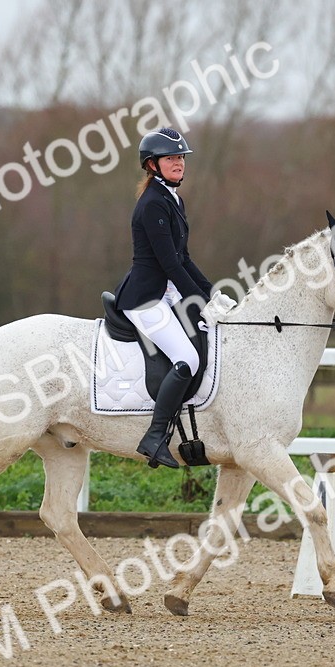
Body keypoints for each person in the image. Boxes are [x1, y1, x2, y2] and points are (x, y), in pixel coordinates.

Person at [113, 128, 213, 468]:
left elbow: (183, 257)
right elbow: (169, 264)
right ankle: (155, 436)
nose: (179, 164)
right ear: (152, 165)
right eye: (172, 159)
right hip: (145, 299)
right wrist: (199, 300)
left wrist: (210, 293)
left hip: (166, 295)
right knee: (188, 359)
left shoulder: (173, 199)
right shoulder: (153, 203)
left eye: (181, 158)